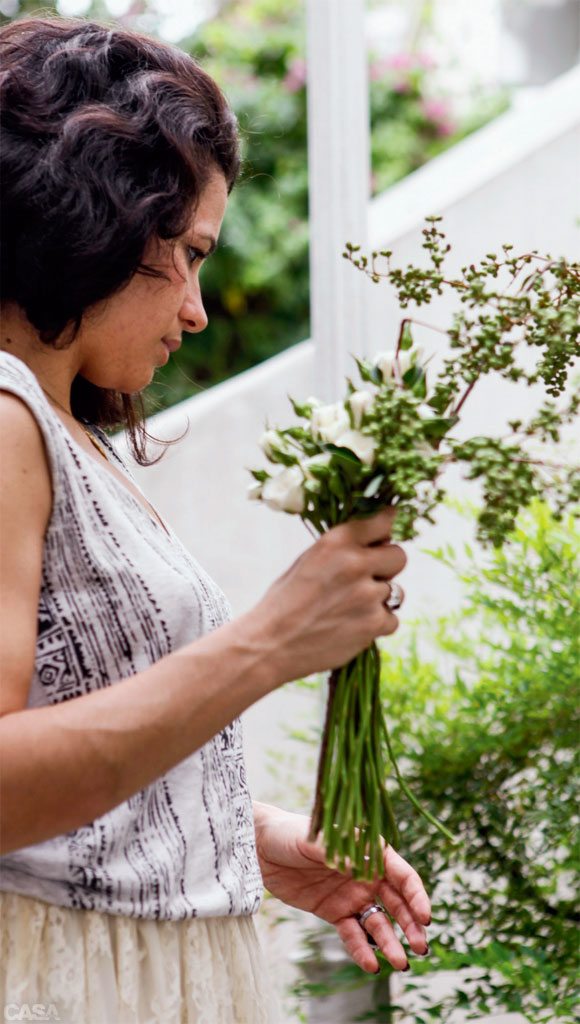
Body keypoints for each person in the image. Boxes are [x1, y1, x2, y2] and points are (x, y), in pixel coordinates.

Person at [0, 16, 431, 1024]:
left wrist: (245, 836)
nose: (195, 310)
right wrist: (270, 642)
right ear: (96, 216)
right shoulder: (5, 416)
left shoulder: (60, 431)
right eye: (186, 252)